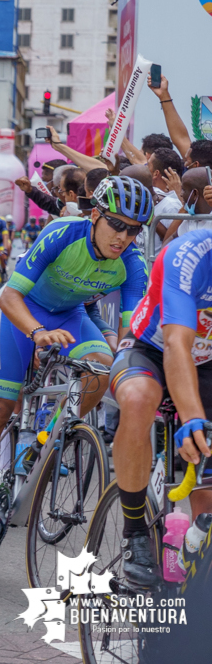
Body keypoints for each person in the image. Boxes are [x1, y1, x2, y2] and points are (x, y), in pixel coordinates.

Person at [0, 176, 151, 556]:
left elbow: (134, 328)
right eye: (116, 224)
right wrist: (36, 333)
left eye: (133, 230)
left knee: (100, 367)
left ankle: (46, 436)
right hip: (24, 313)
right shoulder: (62, 232)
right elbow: (10, 297)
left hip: (69, 315)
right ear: (95, 215)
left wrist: (129, 359)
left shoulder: (131, 262)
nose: (123, 237)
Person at [110, 226, 212, 589]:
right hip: (150, 348)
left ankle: (196, 572)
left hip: (207, 363)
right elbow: (175, 344)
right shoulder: (188, 255)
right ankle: (135, 532)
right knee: (137, 399)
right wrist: (192, 416)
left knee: (207, 491)